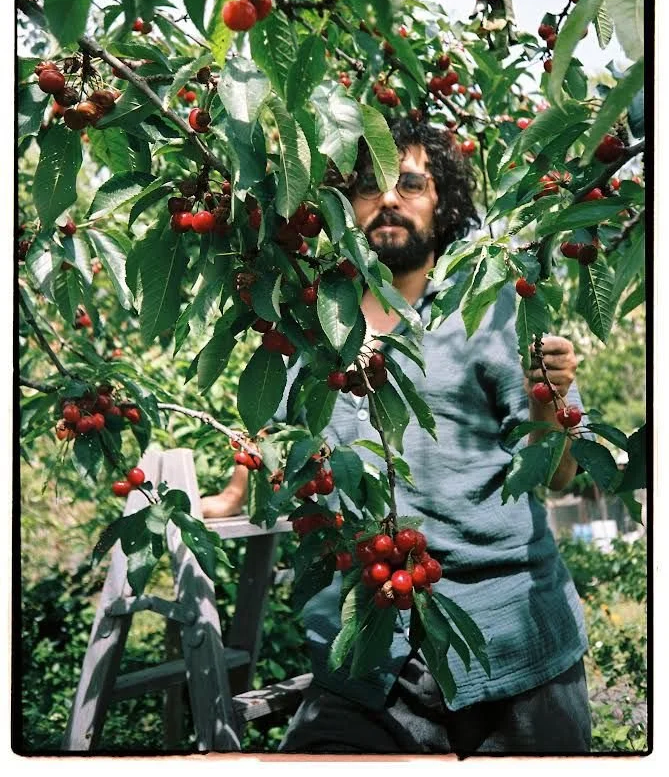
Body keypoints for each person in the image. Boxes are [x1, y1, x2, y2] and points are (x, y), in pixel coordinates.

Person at [202, 120, 591, 756]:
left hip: (510, 641)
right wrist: (232, 494)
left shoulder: (494, 309)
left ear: (443, 206)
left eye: (409, 183)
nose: (387, 198)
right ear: (343, 207)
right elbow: (272, 427)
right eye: (368, 186)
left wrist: (548, 404)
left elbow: (560, 474)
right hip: (367, 651)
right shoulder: (314, 321)